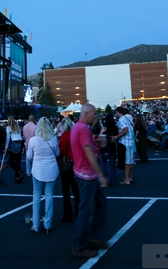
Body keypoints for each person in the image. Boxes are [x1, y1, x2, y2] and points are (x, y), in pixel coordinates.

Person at [70, 103, 109, 259]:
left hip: (84, 174)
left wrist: (96, 143)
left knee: (100, 204)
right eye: (93, 114)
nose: (95, 116)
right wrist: (100, 174)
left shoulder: (77, 127)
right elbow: (89, 155)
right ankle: (79, 246)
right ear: (86, 113)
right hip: (87, 176)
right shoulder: (83, 129)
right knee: (85, 211)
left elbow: (86, 148)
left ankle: (91, 238)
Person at [26, 117, 59, 234]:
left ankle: (35, 225)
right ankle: (47, 224)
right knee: (49, 195)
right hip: (51, 169)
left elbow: (29, 156)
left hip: (38, 169)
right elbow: (57, 153)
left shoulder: (33, 140)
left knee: (36, 196)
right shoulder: (53, 139)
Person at [57, 117, 80, 222]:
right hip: (76, 162)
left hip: (66, 164)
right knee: (76, 188)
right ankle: (78, 209)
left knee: (66, 190)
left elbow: (61, 151)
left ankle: (67, 213)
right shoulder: (76, 134)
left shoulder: (64, 136)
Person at [115, 107, 135, 185]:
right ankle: (129, 177)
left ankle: (126, 179)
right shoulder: (126, 118)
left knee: (126, 162)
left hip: (125, 142)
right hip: (130, 142)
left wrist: (117, 136)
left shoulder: (121, 120)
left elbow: (125, 130)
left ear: (118, 112)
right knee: (130, 161)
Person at [5, 116, 26, 183]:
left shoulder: (8, 128)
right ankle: (17, 176)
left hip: (14, 143)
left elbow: (8, 138)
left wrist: (6, 146)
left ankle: (19, 172)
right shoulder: (18, 127)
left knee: (11, 161)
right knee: (18, 160)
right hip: (20, 143)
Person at [99, 114, 118, 186]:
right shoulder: (115, 128)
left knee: (103, 163)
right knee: (112, 165)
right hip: (112, 148)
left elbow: (100, 138)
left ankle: (105, 179)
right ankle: (112, 181)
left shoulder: (104, 128)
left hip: (104, 147)